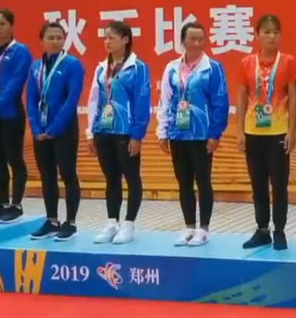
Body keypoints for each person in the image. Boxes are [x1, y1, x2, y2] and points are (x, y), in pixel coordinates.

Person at [156, 22, 229, 247]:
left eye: (201, 39)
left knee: (203, 181)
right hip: (178, 134)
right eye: (192, 39)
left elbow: (220, 102)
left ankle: (204, 229)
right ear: (183, 41)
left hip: (202, 135)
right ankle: (189, 227)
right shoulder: (171, 68)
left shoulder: (213, 68)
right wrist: (162, 132)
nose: (197, 43)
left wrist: (215, 134)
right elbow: (165, 101)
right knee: (184, 182)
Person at [86, 21, 151, 244]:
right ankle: (112, 221)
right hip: (103, 130)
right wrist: (90, 132)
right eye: (105, 37)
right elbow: (93, 100)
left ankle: (129, 223)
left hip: (126, 132)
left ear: (125, 40)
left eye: (112, 37)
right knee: (111, 178)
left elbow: (142, 102)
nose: (107, 41)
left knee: (131, 177)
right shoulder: (101, 68)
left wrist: (137, 135)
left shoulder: (138, 68)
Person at [236, 15, 296, 250]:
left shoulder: (288, 61)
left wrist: (292, 131)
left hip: (279, 132)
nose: (271, 36)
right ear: (257, 34)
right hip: (253, 133)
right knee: (258, 184)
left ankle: (279, 230)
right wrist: (240, 131)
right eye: (267, 32)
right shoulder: (246, 63)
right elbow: (242, 97)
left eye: (276, 32)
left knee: (279, 184)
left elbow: (293, 98)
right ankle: (262, 229)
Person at [27, 22, 85, 241]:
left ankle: (70, 222)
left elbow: (72, 99)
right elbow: (31, 99)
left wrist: (54, 128)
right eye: (50, 38)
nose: (55, 41)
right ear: (41, 41)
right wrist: (36, 128)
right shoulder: (36, 67)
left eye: (59, 37)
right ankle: (51, 220)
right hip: (40, 131)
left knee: (68, 174)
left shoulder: (72, 64)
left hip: (64, 129)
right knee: (47, 175)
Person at [0, 9, 32, 224]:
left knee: (14, 158)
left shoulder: (20, 51)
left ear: (11, 26)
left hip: (10, 113)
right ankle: (2, 202)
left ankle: (16, 203)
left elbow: (15, 83)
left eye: (2, 24)